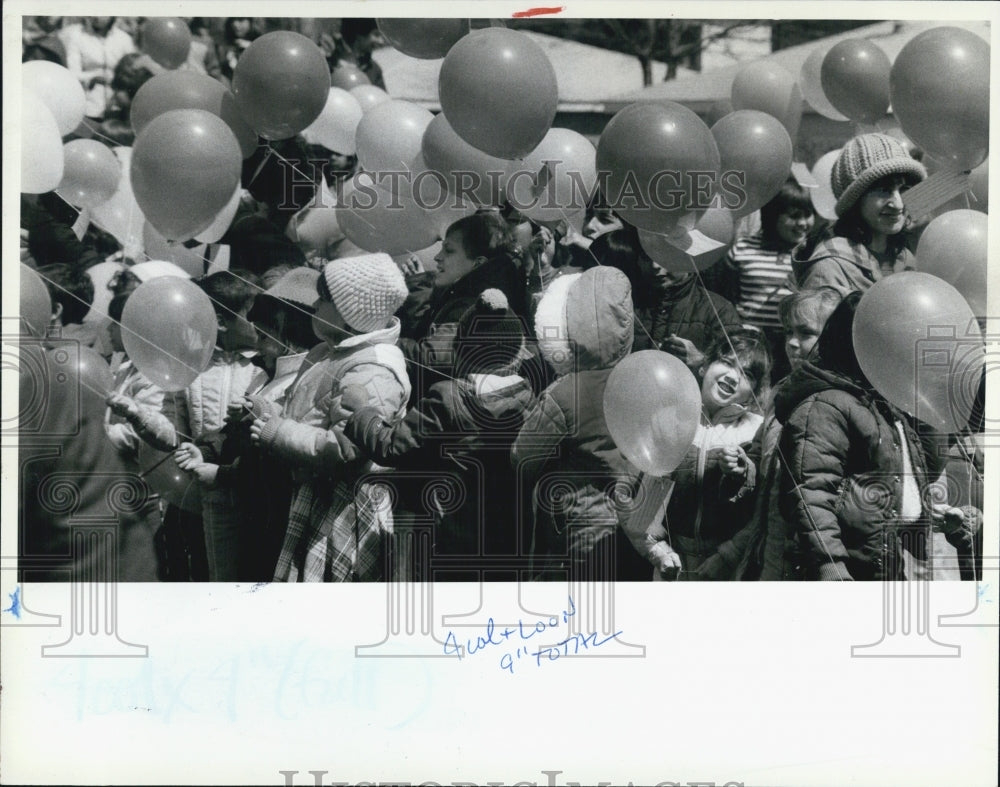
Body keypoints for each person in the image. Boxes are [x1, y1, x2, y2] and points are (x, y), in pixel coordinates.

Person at [774, 292, 967, 581]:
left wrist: (934, 518)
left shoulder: (886, 406)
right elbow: (811, 493)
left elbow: (895, 482)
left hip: (882, 567)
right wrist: (831, 566)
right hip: (840, 575)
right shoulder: (826, 406)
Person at [340, 289, 535, 575]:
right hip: (502, 535)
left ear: (460, 351)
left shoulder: (448, 399)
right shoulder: (526, 397)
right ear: (517, 356)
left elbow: (392, 446)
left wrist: (362, 411)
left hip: (445, 536)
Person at [250, 254, 411, 582]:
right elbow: (308, 412)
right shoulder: (328, 351)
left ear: (351, 314)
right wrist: (269, 413)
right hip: (310, 494)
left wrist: (277, 431)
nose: (315, 305)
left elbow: (346, 450)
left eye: (324, 299)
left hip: (340, 511)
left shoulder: (372, 370)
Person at [106, 269, 262, 581]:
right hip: (202, 500)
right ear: (220, 321)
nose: (260, 325)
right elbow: (171, 436)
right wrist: (139, 416)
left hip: (254, 495)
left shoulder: (262, 369)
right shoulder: (188, 372)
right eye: (251, 315)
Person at [174, 267, 319, 581]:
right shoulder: (273, 376)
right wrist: (207, 451)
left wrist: (223, 474)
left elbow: (276, 465)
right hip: (252, 514)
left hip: (273, 518)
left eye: (265, 321)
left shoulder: (299, 381)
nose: (255, 329)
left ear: (286, 325)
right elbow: (233, 434)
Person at [512, 266, 649, 581]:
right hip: (632, 517)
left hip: (574, 519)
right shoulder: (641, 376)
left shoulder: (567, 392)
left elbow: (523, 455)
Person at [697, 288, 842, 581]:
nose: (791, 342)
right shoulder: (782, 395)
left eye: (806, 333)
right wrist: (743, 469)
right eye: (788, 331)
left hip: (813, 569)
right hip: (769, 563)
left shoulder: (840, 402)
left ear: (833, 336)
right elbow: (764, 493)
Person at [637, 329, 770, 580]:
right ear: (703, 367)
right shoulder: (672, 419)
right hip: (672, 561)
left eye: (747, 374)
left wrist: (727, 557)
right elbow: (646, 505)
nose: (733, 376)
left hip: (728, 568)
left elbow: (760, 512)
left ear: (754, 391)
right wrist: (659, 552)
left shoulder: (755, 430)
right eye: (727, 363)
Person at [396, 212, 527, 401]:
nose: (437, 257)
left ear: (478, 263)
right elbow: (430, 334)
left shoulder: (474, 308)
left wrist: (381, 341)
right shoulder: (463, 292)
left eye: (449, 251)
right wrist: (421, 287)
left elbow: (428, 359)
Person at [589, 225, 742, 368]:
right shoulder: (622, 301)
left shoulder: (718, 311)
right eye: (647, 257)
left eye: (665, 257)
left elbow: (740, 369)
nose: (655, 266)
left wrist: (702, 360)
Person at [793, 134, 927, 296]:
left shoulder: (904, 258)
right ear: (854, 201)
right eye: (884, 190)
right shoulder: (830, 268)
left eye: (904, 189)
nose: (898, 204)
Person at [718, 178, 820, 381]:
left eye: (808, 215)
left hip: (792, 347)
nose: (802, 223)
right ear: (773, 215)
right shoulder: (743, 249)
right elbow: (727, 298)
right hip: (749, 345)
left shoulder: (813, 253)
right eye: (794, 216)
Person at [60, 16, 136, 121]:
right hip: (88, 107)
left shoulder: (124, 39)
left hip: (116, 108)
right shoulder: (77, 36)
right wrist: (94, 76)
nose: (96, 16)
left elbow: (132, 74)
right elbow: (73, 73)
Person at [217, 17, 257, 85]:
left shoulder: (260, 41)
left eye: (240, 20)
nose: (235, 24)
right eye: (233, 20)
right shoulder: (222, 44)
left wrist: (252, 48)